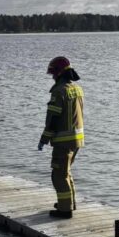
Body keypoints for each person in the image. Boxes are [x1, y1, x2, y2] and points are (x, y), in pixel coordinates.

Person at [38, 56, 84, 219]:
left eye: (53, 74)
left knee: (58, 175)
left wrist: (44, 138)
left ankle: (65, 210)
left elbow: (54, 118)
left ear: (58, 73)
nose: (52, 77)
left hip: (63, 140)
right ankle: (69, 203)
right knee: (66, 172)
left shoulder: (59, 91)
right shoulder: (77, 89)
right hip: (77, 139)